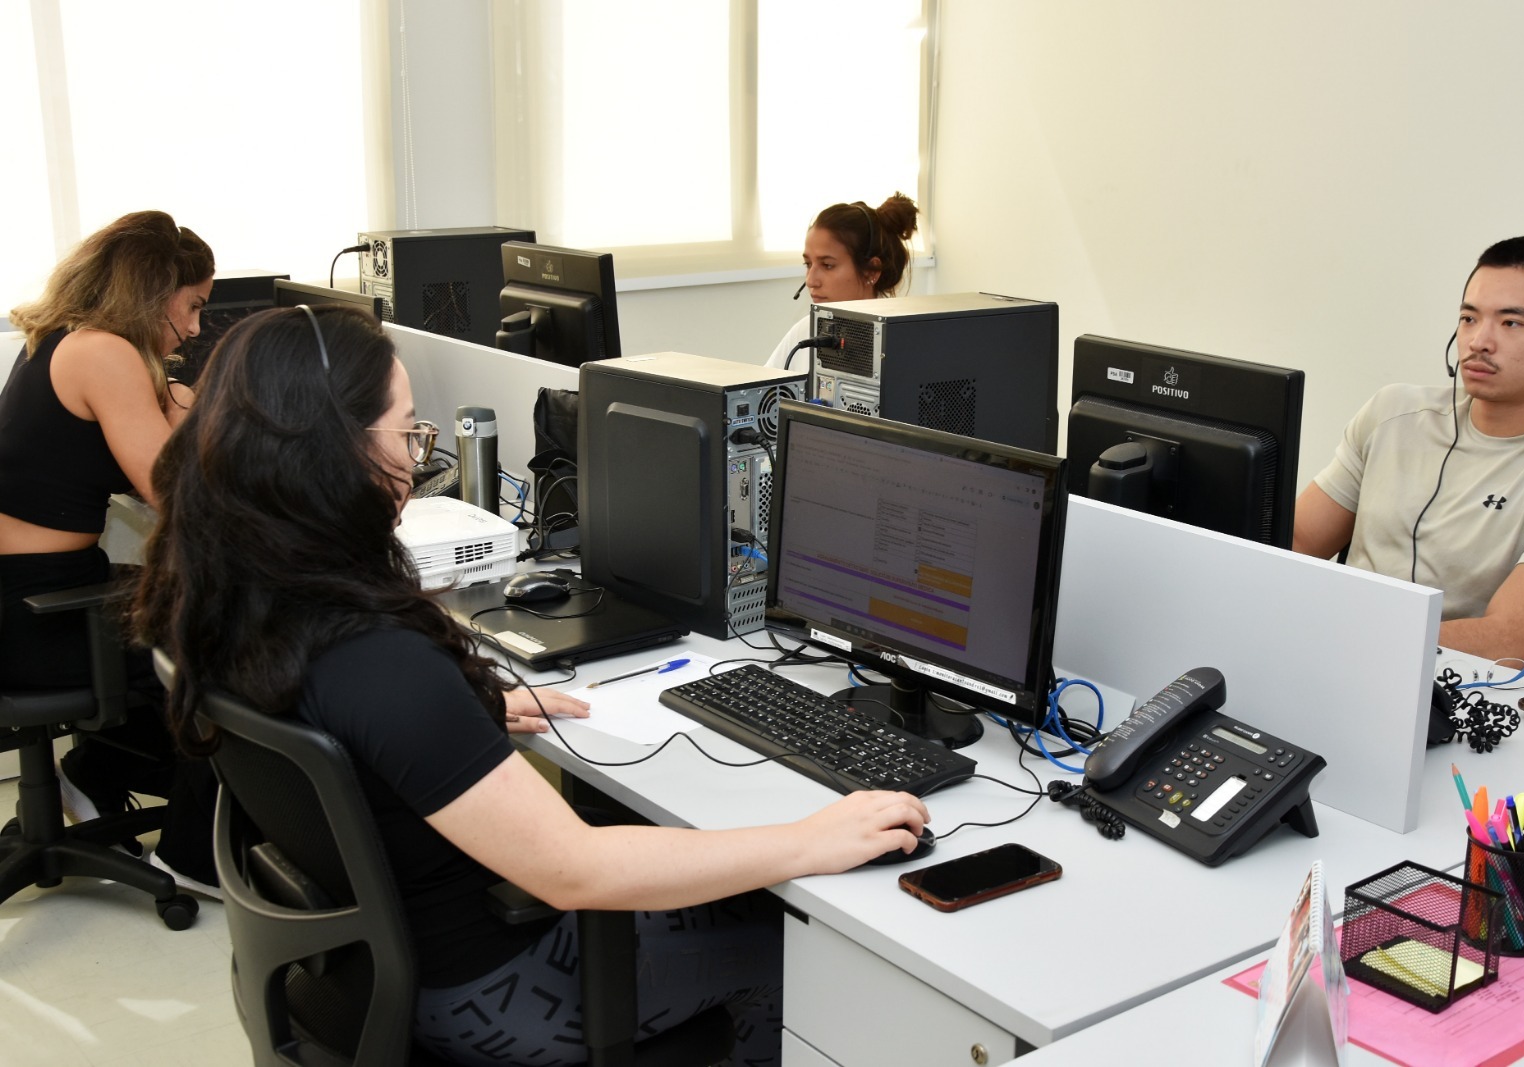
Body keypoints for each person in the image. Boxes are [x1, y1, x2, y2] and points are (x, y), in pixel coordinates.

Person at [132, 305, 931, 1066]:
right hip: (492, 990)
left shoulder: (231, 594)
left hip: (375, 966)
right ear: (330, 448)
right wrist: (812, 838)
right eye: (405, 430)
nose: (416, 457)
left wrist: (458, 721)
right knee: (791, 943)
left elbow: (361, 726)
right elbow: (573, 868)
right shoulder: (379, 664)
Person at [0, 209, 218, 889]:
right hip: (38, 613)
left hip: (30, 591)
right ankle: (191, 856)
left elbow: (162, 424)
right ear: (154, 292)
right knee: (228, 644)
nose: (196, 327)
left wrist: (178, 393)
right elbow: (176, 493)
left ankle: (89, 776)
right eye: (193, 306)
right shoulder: (104, 353)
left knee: (176, 602)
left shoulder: (59, 340)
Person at [1293, 234, 1524, 669]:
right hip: (1324, 659)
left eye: (1510, 323)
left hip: (1452, 695)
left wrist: (1346, 636)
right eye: (1469, 318)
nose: (1478, 341)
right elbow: (1299, 541)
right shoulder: (1393, 413)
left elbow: (1511, 641)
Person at [766, 192, 920, 373]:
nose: (811, 281)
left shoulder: (906, 347)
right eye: (808, 264)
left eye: (827, 265)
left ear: (872, 271)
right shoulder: (803, 333)